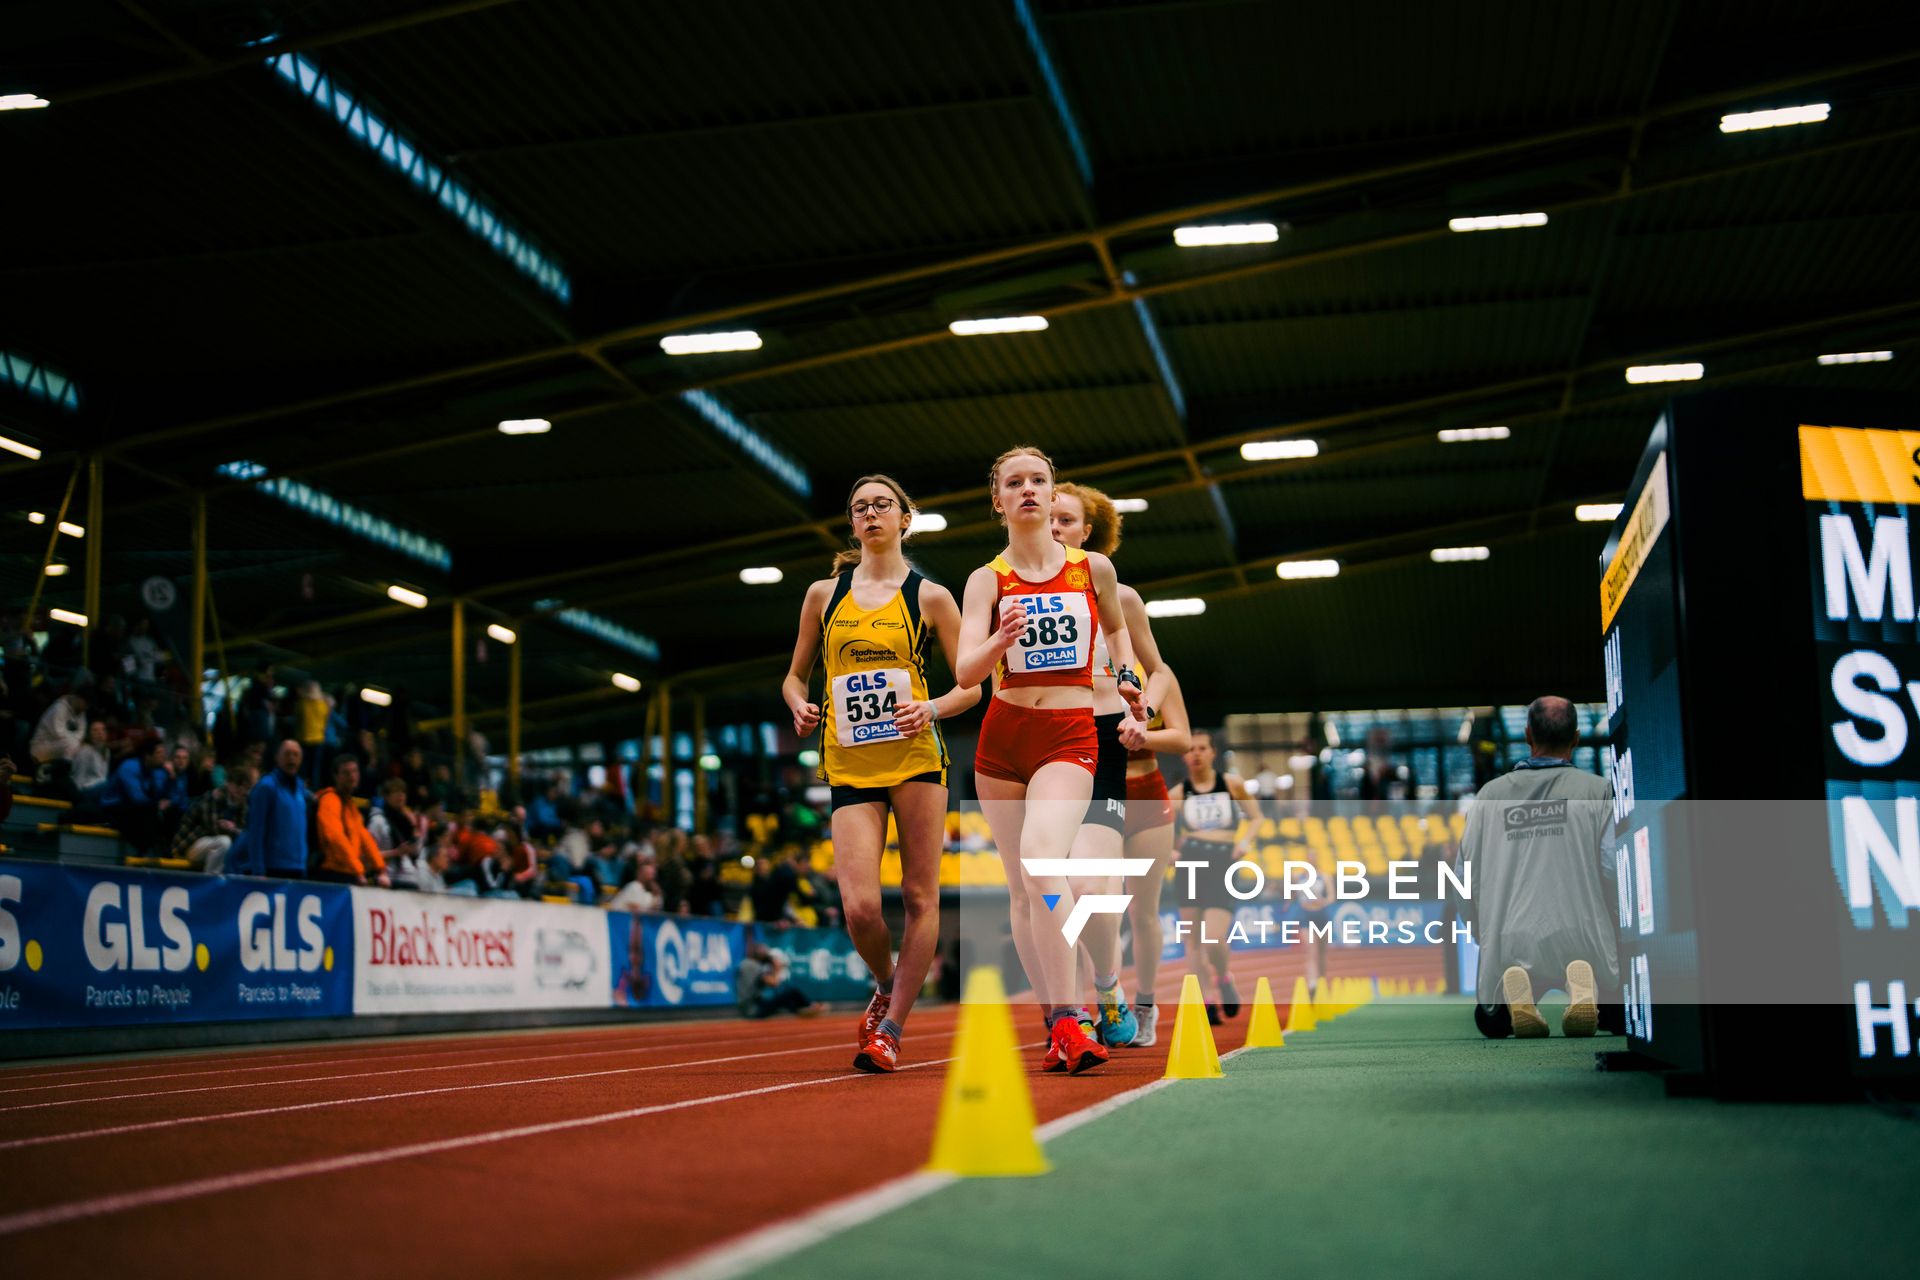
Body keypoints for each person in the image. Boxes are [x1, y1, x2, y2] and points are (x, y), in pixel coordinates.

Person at [956, 445, 1145, 1075]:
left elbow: (1117, 631)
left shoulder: (1092, 569)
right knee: (1022, 887)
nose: (1030, 490)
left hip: (1069, 733)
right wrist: (999, 640)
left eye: (1039, 480)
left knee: (1044, 861)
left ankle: (1076, 1014)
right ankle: (1055, 1021)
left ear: (1052, 490)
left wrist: (1125, 679)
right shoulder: (986, 579)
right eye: (1016, 482)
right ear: (1000, 500)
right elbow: (965, 672)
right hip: (1003, 735)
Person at [782, 473, 978, 1073]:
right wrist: (798, 704)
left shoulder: (930, 597)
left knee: (920, 896)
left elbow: (973, 684)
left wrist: (932, 708)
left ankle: (890, 1029)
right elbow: (793, 675)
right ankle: (886, 981)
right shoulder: (823, 594)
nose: (871, 514)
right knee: (861, 908)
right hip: (849, 763)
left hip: (917, 761)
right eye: (860, 507)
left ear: (903, 518)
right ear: (853, 522)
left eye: (882, 505)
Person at [1049, 480, 1182, 1047]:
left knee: (1122, 902)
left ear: (1088, 533)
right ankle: (1092, 1000)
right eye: (1049, 519)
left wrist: (1142, 715)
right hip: (1056, 752)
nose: (1054, 528)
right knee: (1069, 892)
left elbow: (1161, 671)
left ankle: (1135, 1003)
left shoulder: (1118, 596)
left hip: (1119, 762)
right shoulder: (1019, 590)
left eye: (1066, 521)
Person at [1458, 696, 1620, 1038]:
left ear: (1528, 735)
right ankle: (1583, 980)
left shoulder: (1489, 796)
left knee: (1491, 1023)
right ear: (1576, 738)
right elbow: (1612, 869)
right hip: (1583, 935)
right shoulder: (1599, 791)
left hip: (1509, 941)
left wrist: (1480, 933)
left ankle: (1520, 988)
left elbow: (1464, 877)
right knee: (1619, 1017)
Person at [1168, 729, 1261, 1025]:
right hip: (1191, 861)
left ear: (1212, 752)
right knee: (1193, 940)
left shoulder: (1232, 784)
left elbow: (1257, 817)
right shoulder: (1178, 793)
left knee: (1213, 936)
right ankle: (1206, 1000)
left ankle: (1223, 976)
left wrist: (1244, 842)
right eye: (1190, 749)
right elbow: (1163, 831)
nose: (1195, 754)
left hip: (1223, 861)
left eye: (1201, 748)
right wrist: (1170, 851)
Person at [1120, 671, 1191, 1046]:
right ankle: (1107, 1004)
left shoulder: (1157, 677)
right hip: (1099, 794)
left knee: (1143, 912)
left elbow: (1183, 738)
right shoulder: (1082, 663)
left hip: (1148, 797)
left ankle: (1145, 1006)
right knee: (1095, 906)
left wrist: (1145, 734)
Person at [228, 740, 311, 879]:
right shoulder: (266, 787)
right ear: (277, 757)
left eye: (296, 755)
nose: (292, 759)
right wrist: (258, 870)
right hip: (273, 867)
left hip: (297, 867)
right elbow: (255, 831)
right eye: (287, 754)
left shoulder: (301, 788)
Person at [313, 754, 390, 887]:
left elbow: (365, 838)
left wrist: (380, 868)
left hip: (349, 872)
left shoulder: (350, 805)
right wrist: (358, 870)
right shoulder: (330, 800)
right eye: (346, 772)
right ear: (336, 777)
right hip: (333, 873)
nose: (352, 776)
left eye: (354, 771)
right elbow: (335, 837)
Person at [171, 763, 254, 873]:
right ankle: (211, 882)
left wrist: (233, 829)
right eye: (238, 785)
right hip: (190, 845)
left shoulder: (243, 803)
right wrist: (233, 830)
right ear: (229, 784)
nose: (242, 790)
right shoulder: (213, 797)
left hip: (212, 846)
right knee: (224, 842)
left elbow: (245, 832)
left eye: (245, 787)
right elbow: (214, 829)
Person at [102, 739, 174, 853]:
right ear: (148, 756)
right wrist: (157, 805)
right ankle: (148, 851)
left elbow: (162, 795)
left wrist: (171, 778)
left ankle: (161, 849)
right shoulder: (129, 767)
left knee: (171, 813)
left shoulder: (156, 771)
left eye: (164, 753)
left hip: (136, 808)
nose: (163, 757)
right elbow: (137, 798)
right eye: (159, 753)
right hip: (114, 807)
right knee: (146, 815)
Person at [735, 941, 821, 1019]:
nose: (768, 958)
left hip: (747, 1006)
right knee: (791, 991)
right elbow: (774, 983)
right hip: (754, 1009)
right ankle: (808, 1006)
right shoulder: (754, 966)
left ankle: (802, 1010)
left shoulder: (745, 963)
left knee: (785, 996)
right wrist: (777, 970)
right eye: (766, 955)